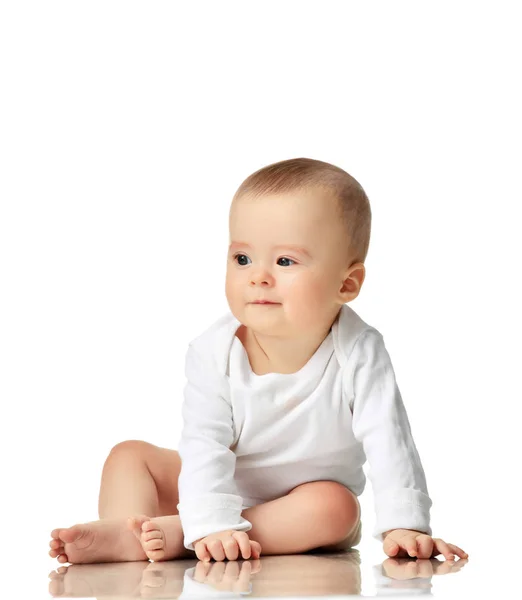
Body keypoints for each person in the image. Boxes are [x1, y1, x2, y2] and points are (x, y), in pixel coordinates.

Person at [49, 157, 468, 565]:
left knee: (336, 507)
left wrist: (406, 524)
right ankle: (128, 532)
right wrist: (210, 515)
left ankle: (179, 536)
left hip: (300, 506)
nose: (258, 276)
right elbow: (204, 443)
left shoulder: (359, 350)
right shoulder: (214, 350)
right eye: (242, 259)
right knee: (129, 456)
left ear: (347, 283)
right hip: (219, 483)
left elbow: (389, 437)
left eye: (285, 261)